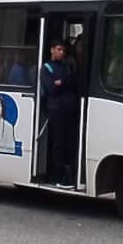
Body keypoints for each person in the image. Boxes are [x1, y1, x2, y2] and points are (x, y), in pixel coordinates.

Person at [40, 39, 78, 188]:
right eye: (58, 49)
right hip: (56, 110)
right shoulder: (47, 68)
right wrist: (61, 83)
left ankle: (68, 174)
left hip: (69, 110)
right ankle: (57, 175)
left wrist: (61, 82)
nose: (61, 52)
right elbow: (51, 88)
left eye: (63, 50)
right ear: (52, 50)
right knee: (58, 143)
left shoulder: (66, 67)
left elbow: (72, 82)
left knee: (69, 143)